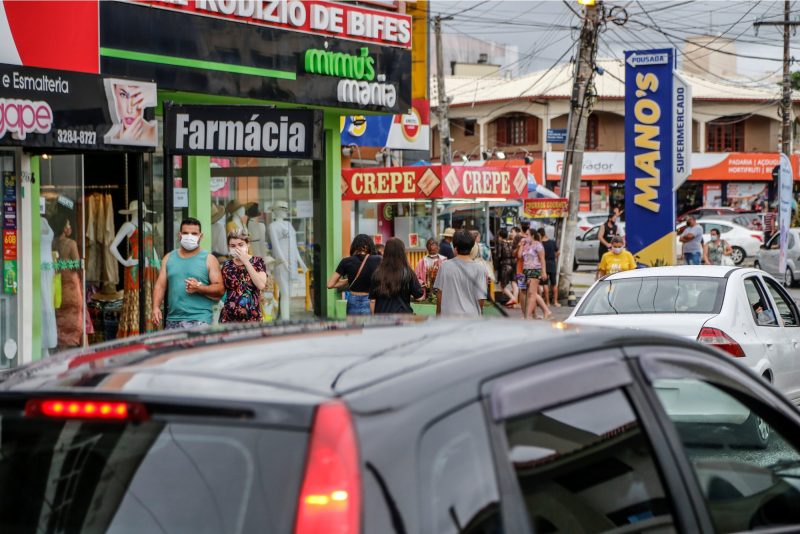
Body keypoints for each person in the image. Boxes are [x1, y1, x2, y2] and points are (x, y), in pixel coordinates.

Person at [152, 218, 224, 330]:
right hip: (173, 320)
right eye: (185, 233)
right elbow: (160, 286)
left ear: (201, 236)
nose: (189, 237)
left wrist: (199, 288)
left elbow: (220, 289)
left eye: (194, 233)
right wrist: (155, 307)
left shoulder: (209, 259)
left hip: (200, 319)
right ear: (179, 235)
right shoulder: (168, 258)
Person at [433, 230, 487, 317]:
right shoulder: (480, 268)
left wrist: (438, 314)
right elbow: (481, 298)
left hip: (449, 317)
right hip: (471, 317)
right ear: (472, 246)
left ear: (455, 247)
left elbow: (439, 294)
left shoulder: (445, 266)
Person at [219, 230, 269, 323]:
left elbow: (261, 285)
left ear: (248, 244)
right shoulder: (227, 265)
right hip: (228, 318)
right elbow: (221, 289)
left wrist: (245, 261)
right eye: (233, 246)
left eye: (240, 245)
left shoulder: (258, 261)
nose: (237, 248)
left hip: (252, 318)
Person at [328, 234, 382, 316]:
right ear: (370, 246)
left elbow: (330, 284)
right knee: (369, 328)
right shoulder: (378, 260)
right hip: (370, 300)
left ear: (355, 246)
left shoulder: (346, 261)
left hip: (352, 299)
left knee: (354, 328)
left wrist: (348, 280)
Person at [370, 238, 424, 314]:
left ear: (386, 252)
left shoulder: (378, 272)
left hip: (382, 318)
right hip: (402, 317)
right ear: (402, 252)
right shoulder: (408, 272)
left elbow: (372, 300)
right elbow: (419, 297)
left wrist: (374, 318)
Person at [519, 230, 551, 320]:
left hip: (535, 270)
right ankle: (529, 314)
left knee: (532, 294)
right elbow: (519, 256)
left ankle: (528, 315)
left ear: (532, 235)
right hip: (525, 270)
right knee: (526, 293)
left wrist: (543, 272)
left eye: (527, 234)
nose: (525, 236)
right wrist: (521, 245)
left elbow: (542, 259)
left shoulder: (538, 245)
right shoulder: (525, 245)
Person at [495, 228, 518, 306]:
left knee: (502, 286)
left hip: (505, 265)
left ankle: (513, 298)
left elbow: (498, 256)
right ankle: (514, 303)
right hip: (514, 264)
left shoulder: (500, 243)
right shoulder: (512, 242)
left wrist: (495, 266)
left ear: (500, 236)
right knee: (514, 283)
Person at [538, 228, 560, 307]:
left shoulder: (540, 244)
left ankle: (547, 303)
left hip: (544, 265)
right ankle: (556, 302)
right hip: (552, 264)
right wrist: (554, 257)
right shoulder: (552, 242)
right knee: (554, 284)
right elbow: (558, 252)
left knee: (545, 284)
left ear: (540, 235)